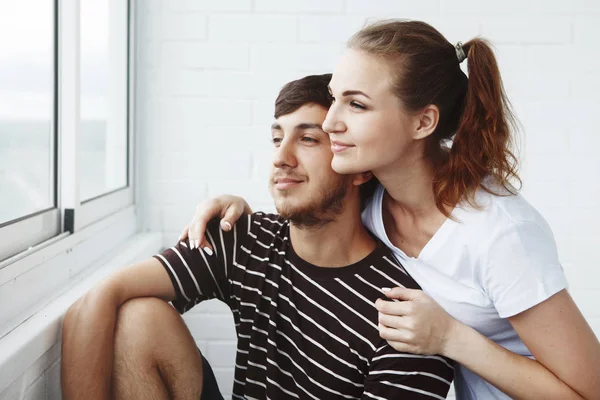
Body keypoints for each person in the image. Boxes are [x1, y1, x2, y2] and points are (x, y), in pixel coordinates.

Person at [182, 20, 600, 400]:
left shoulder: (500, 235)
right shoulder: (375, 193)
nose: (330, 124)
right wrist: (242, 210)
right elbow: (317, 208)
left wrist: (452, 338)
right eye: (335, 99)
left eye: (357, 105)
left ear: (423, 123)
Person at [61, 74, 454, 400]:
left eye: (308, 139)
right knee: (138, 318)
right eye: (276, 138)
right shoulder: (247, 239)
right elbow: (97, 301)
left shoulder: (406, 312)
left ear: (359, 168)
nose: (281, 157)